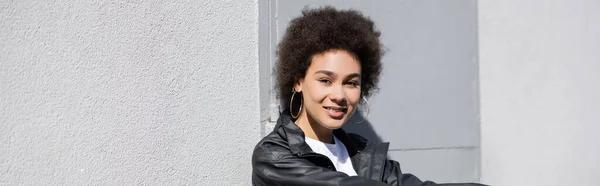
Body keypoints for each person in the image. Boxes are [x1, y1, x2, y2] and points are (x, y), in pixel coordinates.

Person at [251, 6, 487, 186]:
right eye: (326, 80)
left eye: (351, 82)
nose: (339, 95)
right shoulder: (275, 157)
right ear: (298, 82)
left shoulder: (363, 153)